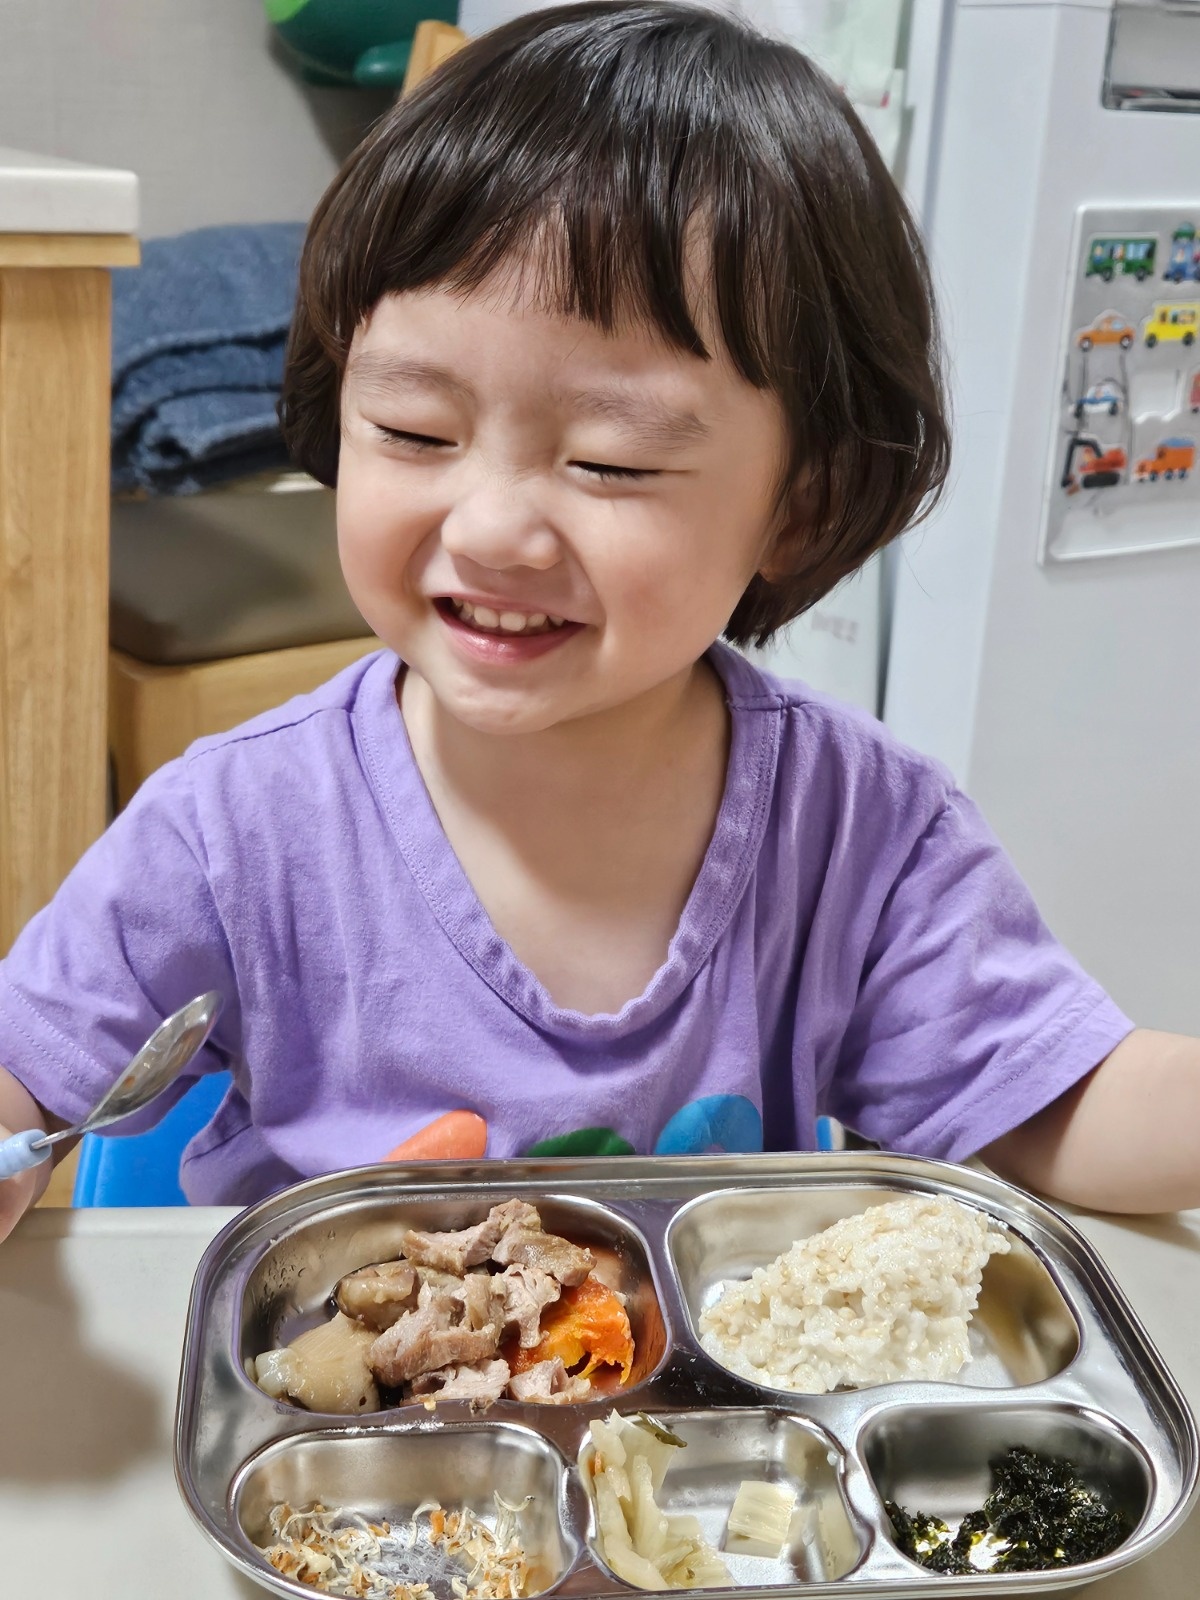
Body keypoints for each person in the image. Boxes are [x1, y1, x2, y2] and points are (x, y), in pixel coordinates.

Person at [0, 2, 1193, 1240]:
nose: (494, 529)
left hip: (695, 1427)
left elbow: (1054, 1106)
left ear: (802, 503)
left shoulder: (860, 833)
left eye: (612, 461)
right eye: (414, 433)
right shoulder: (235, 829)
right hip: (331, 1414)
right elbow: (29, 1062)